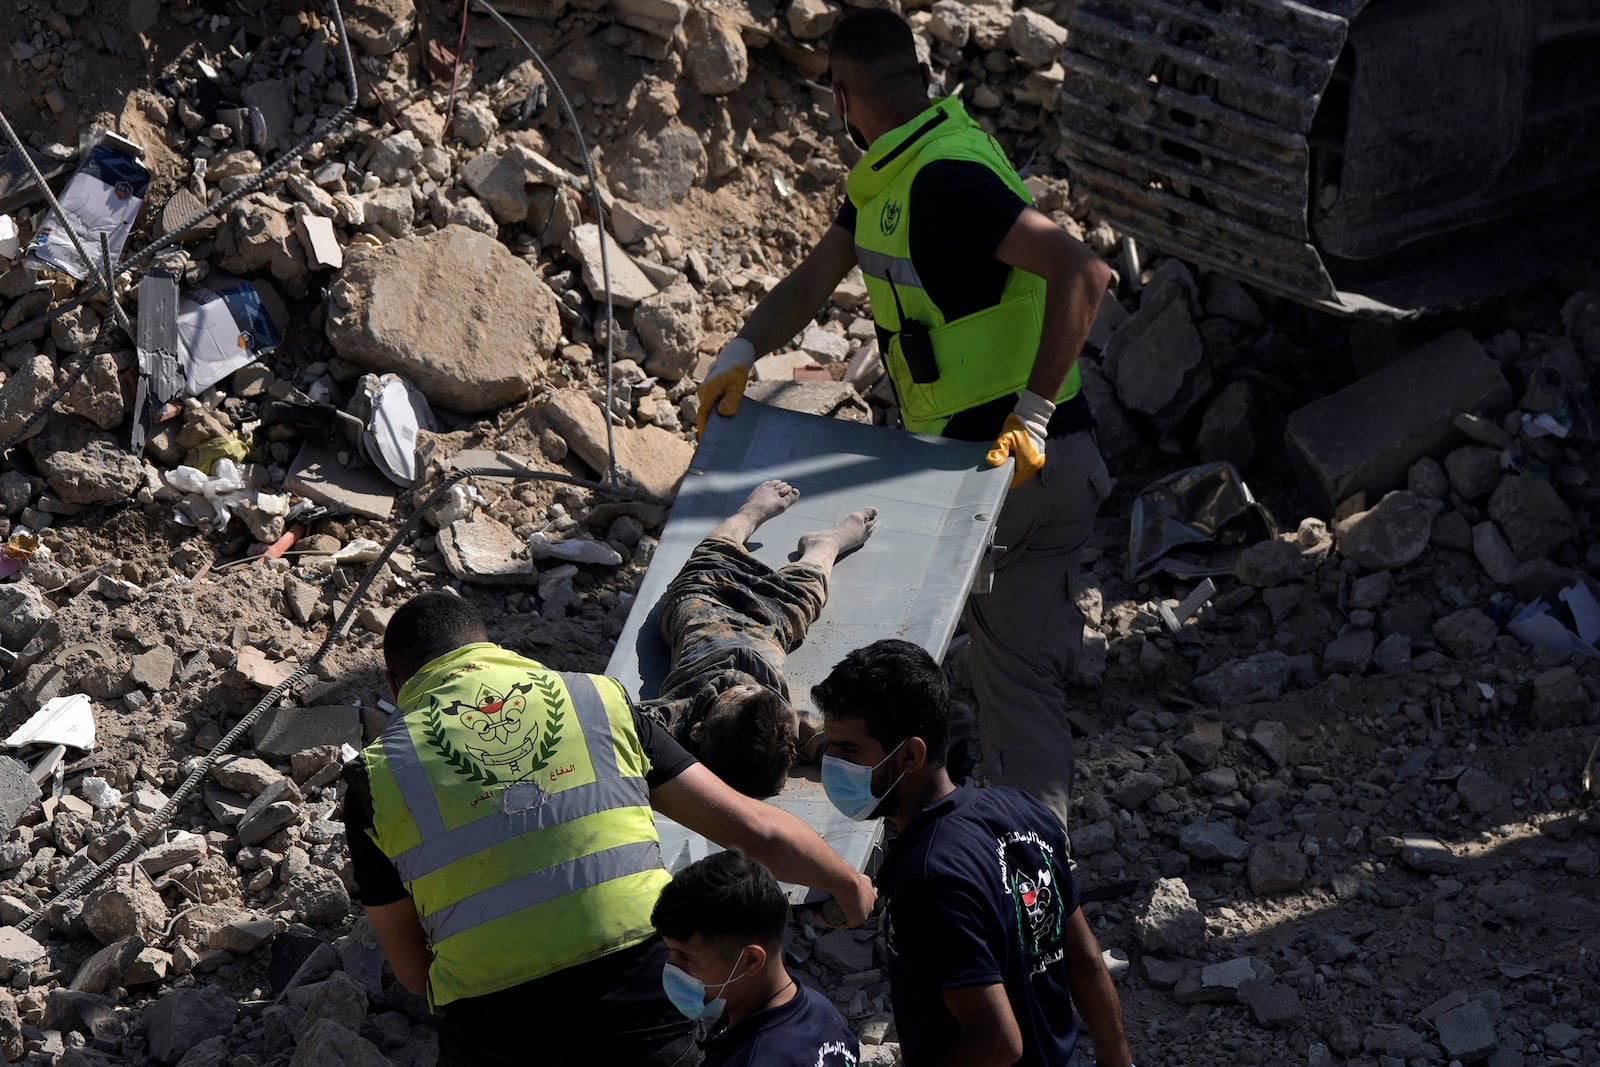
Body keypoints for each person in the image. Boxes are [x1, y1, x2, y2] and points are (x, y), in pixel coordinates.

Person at [696, 8, 1114, 829]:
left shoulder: (943, 181)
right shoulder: (900, 172)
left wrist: (1029, 414)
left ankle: (880, 844)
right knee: (1015, 685)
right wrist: (740, 348)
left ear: (841, 97)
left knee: (882, 650)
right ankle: (1028, 878)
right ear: (922, 82)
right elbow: (815, 280)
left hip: (1004, 474)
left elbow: (1084, 269)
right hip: (1044, 470)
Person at [341, 589, 877, 1067]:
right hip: (639, 1001)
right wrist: (846, 883)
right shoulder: (597, 698)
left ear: (394, 682)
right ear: (489, 648)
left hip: (494, 1029)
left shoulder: (373, 777)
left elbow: (414, 973)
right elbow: (756, 829)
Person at [812, 639, 1133, 1067]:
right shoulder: (1024, 813)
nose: (831, 762)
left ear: (910, 755)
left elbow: (998, 1041)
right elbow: (1087, 962)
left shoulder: (928, 877)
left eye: (849, 750)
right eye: (829, 744)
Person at [639, 478, 877, 797]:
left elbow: (627, 726)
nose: (748, 685)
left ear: (699, 730)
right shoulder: (783, 727)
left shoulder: (681, 716)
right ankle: (826, 545)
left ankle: (750, 514)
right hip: (772, 623)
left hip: (707, 599)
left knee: (711, 556)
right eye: (759, 691)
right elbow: (840, 744)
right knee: (805, 594)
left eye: (739, 694)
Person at [651, 850, 860, 1067]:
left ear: (751, 960)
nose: (672, 966)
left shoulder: (753, 1058)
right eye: (670, 951)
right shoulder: (822, 1011)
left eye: (686, 956)